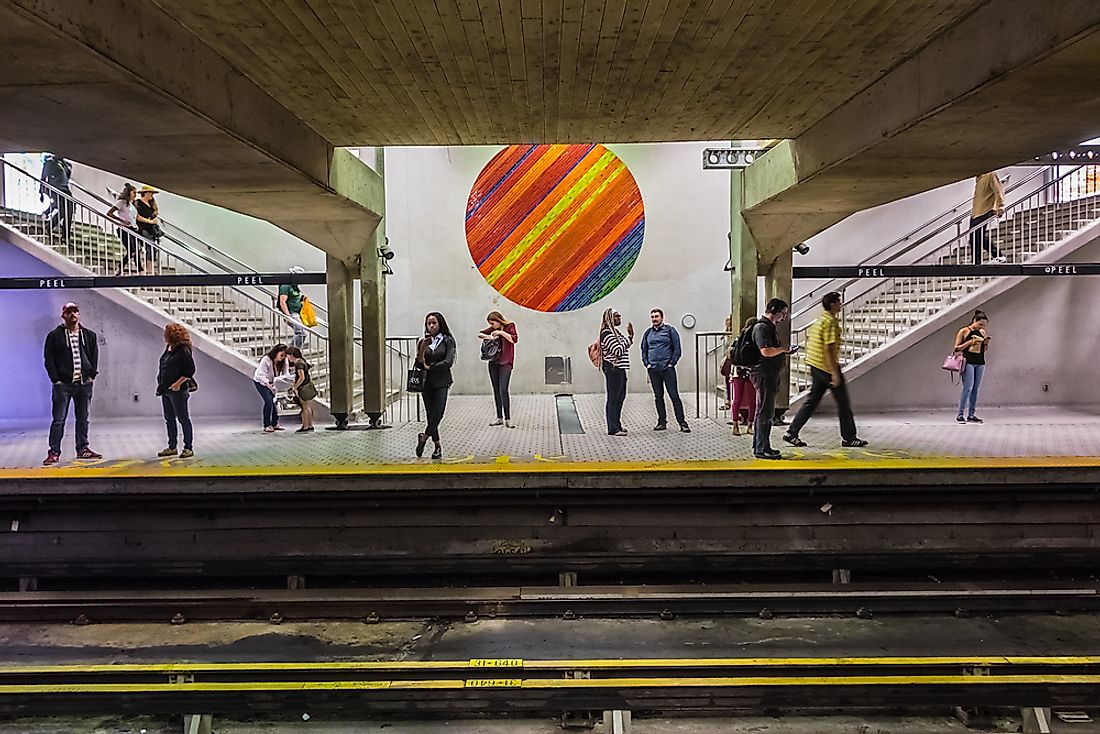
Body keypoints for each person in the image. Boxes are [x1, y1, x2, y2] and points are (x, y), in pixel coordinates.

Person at [783, 292, 868, 449]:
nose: (840, 304)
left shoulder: (821, 318)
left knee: (812, 401)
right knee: (843, 403)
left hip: (816, 364)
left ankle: (792, 433)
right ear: (832, 304)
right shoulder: (830, 322)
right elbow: (829, 349)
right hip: (826, 367)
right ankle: (849, 437)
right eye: (838, 302)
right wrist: (835, 373)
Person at [42, 302, 102, 464]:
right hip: (63, 385)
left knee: (83, 418)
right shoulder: (54, 336)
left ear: (79, 314)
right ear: (64, 315)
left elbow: (94, 356)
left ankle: (82, 448)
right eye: (69, 312)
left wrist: (91, 375)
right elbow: (49, 360)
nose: (73, 314)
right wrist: (56, 380)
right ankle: (54, 451)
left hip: (84, 384)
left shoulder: (89, 335)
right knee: (59, 419)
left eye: (75, 311)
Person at [749, 298, 796, 460]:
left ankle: (762, 445)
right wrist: (783, 349)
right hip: (764, 374)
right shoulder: (762, 328)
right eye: (783, 313)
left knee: (765, 412)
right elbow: (766, 351)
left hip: (768, 374)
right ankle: (761, 449)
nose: (784, 317)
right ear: (774, 310)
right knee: (764, 412)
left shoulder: (768, 327)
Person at [641, 308, 689, 433]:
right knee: (658, 396)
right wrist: (647, 364)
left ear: (662, 317)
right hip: (653, 369)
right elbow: (644, 349)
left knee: (674, 395)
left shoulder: (670, 331)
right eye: (652, 317)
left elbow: (677, 348)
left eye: (656, 316)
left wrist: (671, 363)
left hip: (667, 369)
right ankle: (661, 421)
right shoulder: (648, 333)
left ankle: (682, 422)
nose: (654, 319)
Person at [415, 312, 456, 459]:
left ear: (440, 324)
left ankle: (424, 437)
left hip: (442, 382)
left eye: (434, 323)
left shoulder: (448, 341)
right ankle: (437, 446)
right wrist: (422, 349)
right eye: (429, 323)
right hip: (427, 384)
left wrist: (430, 367)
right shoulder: (423, 342)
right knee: (431, 416)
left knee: (438, 413)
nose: (431, 326)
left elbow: (448, 362)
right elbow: (419, 364)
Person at [156, 323, 196, 458]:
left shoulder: (183, 349)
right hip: (166, 389)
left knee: (183, 418)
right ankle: (172, 446)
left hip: (178, 390)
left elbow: (189, 370)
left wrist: (177, 384)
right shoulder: (169, 348)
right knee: (169, 418)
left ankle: (188, 447)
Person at [477, 310, 518, 428]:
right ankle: (499, 417)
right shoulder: (492, 329)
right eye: (490, 324)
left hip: (506, 362)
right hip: (494, 362)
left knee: (503, 389)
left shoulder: (510, 326)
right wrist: (489, 336)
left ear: (499, 321)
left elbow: (514, 339)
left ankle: (508, 418)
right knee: (496, 389)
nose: (491, 326)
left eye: (493, 323)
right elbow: (480, 334)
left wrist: (501, 333)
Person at [599, 307, 633, 436]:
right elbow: (618, 350)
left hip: (620, 369)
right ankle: (612, 428)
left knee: (620, 397)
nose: (619, 318)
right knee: (613, 398)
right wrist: (629, 338)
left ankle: (617, 424)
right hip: (613, 369)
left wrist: (628, 339)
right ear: (609, 319)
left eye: (619, 316)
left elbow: (623, 345)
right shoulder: (607, 334)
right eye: (616, 316)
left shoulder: (616, 333)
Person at [954, 309, 990, 424]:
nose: (981, 327)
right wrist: (970, 342)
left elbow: (984, 350)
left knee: (975, 389)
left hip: (980, 362)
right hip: (968, 361)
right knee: (967, 388)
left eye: (983, 325)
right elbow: (956, 348)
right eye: (980, 324)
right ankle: (960, 414)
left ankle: (971, 414)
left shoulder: (982, 332)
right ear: (974, 321)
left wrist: (985, 342)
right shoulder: (964, 331)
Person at [970, 172, 1008, 265]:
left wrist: (1000, 207)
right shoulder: (979, 179)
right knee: (974, 238)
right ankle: (977, 263)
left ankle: (997, 255)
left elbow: (998, 190)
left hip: (986, 210)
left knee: (977, 237)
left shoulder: (990, 175)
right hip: (976, 212)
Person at [729, 316, 758, 436]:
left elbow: (730, 352)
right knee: (753, 400)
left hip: (738, 370)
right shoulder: (755, 337)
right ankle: (750, 425)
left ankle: (735, 424)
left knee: (737, 399)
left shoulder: (739, 337)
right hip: (751, 370)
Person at [253, 343, 291, 433]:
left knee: (274, 402)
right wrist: (268, 385)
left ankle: (275, 423)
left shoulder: (284, 361)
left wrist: (285, 383)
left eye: (285, 356)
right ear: (276, 352)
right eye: (281, 355)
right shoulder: (266, 359)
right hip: (261, 382)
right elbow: (260, 375)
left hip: (272, 382)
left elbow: (286, 374)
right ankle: (267, 424)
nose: (282, 357)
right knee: (268, 401)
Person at [107, 183, 141, 275]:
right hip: (124, 229)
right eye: (134, 193)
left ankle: (140, 270)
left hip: (133, 229)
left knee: (136, 251)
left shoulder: (132, 205)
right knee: (132, 250)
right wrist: (121, 220)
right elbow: (109, 213)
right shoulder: (121, 202)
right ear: (129, 193)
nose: (135, 195)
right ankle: (121, 267)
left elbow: (134, 217)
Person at [39, 153, 73, 242]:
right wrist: (41, 192)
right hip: (55, 189)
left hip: (65, 189)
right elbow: (43, 178)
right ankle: (49, 226)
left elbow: (67, 177)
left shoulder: (66, 165)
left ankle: (66, 236)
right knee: (62, 209)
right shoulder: (50, 162)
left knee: (69, 212)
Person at [286, 346, 317, 433]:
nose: (287, 358)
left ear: (292, 355)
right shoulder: (302, 361)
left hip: (303, 387)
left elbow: (301, 377)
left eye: (288, 356)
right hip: (307, 386)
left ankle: (305, 426)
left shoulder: (298, 364)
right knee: (307, 406)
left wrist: (295, 387)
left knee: (304, 407)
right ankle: (310, 425)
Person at [133, 185, 161, 274]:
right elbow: (137, 216)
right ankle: (148, 269)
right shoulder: (138, 203)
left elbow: (153, 215)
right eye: (150, 193)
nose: (152, 195)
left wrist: (153, 219)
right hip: (142, 228)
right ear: (145, 193)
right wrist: (149, 222)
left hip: (149, 228)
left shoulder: (151, 205)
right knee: (150, 245)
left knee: (152, 247)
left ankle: (149, 267)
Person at [279, 267, 308, 350]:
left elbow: (294, 298)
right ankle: (291, 353)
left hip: (297, 313)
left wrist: (301, 298)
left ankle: (291, 353)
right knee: (301, 333)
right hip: (291, 314)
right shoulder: (285, 286)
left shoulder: (295, 286)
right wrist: (288, 316)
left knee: (299, 333)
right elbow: (282, 302)